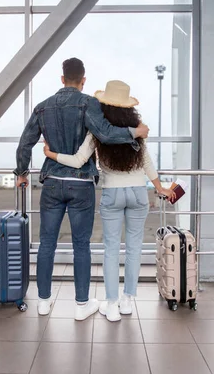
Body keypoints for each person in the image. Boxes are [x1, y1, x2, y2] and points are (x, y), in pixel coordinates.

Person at [14, 58, 150, 321]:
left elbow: (25, 143)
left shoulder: (42, 107)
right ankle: (81, 305)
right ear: (83, 79)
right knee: (81, 246)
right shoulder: (89, 103)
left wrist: (21, 172)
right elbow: (107, 134)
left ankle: (43, 302)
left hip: (52, 182)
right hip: (81, 185)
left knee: (47, 244)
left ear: (62, 78)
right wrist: (136, 132)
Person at [44, 79, 175, 322]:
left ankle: (112, 305)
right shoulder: (138, 128)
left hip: (112, 193)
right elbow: (146, 161)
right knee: (134, 249)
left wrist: (51, 154)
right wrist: (159, 187)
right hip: (138, 193)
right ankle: (127, 302)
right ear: (129, 108)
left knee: (111, 250)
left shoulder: (98, 132)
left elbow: (78, 160)